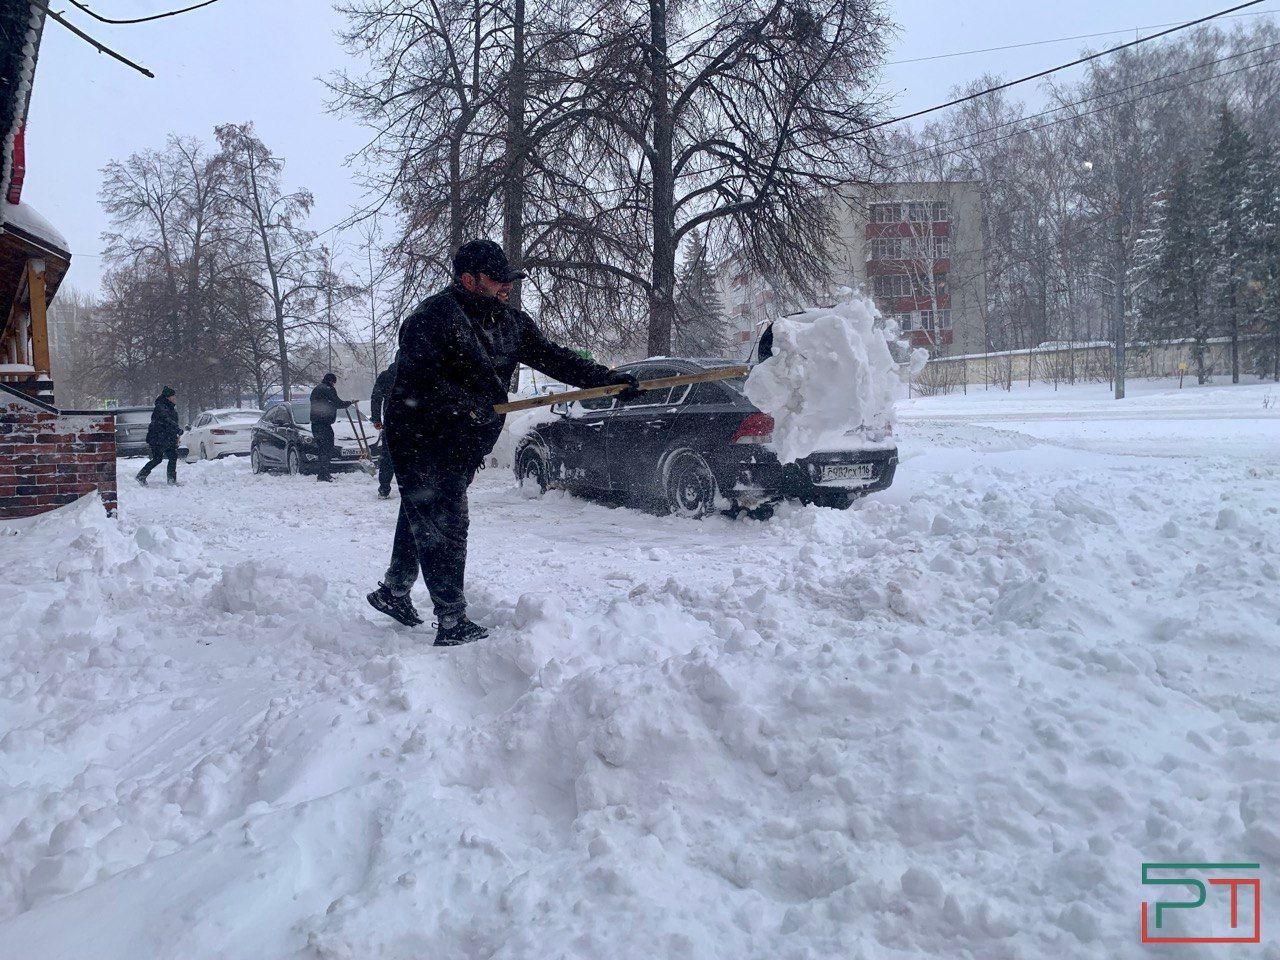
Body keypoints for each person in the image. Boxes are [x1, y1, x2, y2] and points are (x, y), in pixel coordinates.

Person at [366, 238, 640, 646]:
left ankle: (393, 591)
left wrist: (606, 380)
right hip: (419, 437)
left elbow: (554, 357)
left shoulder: (509, 323)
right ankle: (452, 621)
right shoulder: (431, 318)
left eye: (507, 280)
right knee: (445, 521)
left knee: (421, 510)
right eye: (497, 281)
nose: (505, 287)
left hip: (465, 439)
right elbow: (416, 387)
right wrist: (466, 406)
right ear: (468, 279)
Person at [310, 372, 354, 482]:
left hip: (315, 424)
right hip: (324, 424)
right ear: (331, 381)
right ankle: (324, 475)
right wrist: (348, 403)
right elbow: (337, 403)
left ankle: (323, 474)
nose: (334, 384)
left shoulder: (316, 389)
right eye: (334, 382)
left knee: (322, 449)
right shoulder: (328, 389)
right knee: (327, 449)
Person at [135, 386, 182, 486]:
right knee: (159, 458)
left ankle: (171, 480)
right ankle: (142, 476)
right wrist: (177, 429)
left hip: (166, 438)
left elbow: (171, 422)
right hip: (158, 438)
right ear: (168, 397)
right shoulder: (161, 407)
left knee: (170, 457)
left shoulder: (169, 407)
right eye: (173, 396)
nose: (175, 398)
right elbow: (167, 421)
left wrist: (175, 434)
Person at [369, 359, 398, 499]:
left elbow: (376, 397)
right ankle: (417, 490)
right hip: (415, 424)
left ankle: (384, 488)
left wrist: (376, 419)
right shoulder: (417, 373)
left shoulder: (386, 375)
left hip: (392, 421)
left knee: (388, 457)